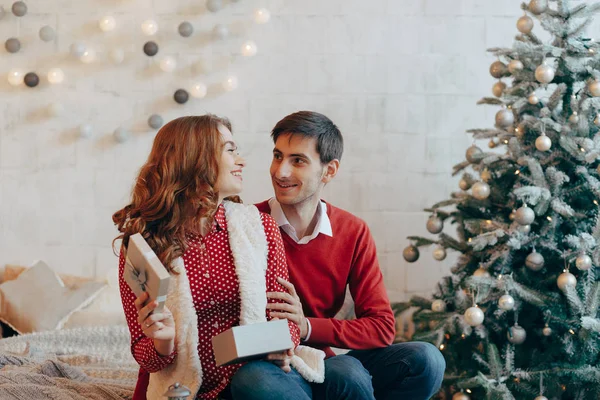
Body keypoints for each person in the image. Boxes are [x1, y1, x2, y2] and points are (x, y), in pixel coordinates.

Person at [112, 115, 324, 400]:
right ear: (195, 158)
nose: (242, 161)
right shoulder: (144, 244)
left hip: (258, 381)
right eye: (230, 150)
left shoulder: (260, 226)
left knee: (342, 372)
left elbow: (284, 318)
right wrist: (162, 342)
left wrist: (281, 344)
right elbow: (145, 356)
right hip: (188, 391)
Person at [243, 111, 445, 399]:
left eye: (297, 160)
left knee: (426, 360)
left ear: (330, 170)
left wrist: (306, 327)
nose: (281, 171)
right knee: (339, 371)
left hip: (324, 358)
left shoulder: (352, 231)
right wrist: (282, 336)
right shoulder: (247, 224)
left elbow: (381, 328)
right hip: (274, 365)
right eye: (278, 156)